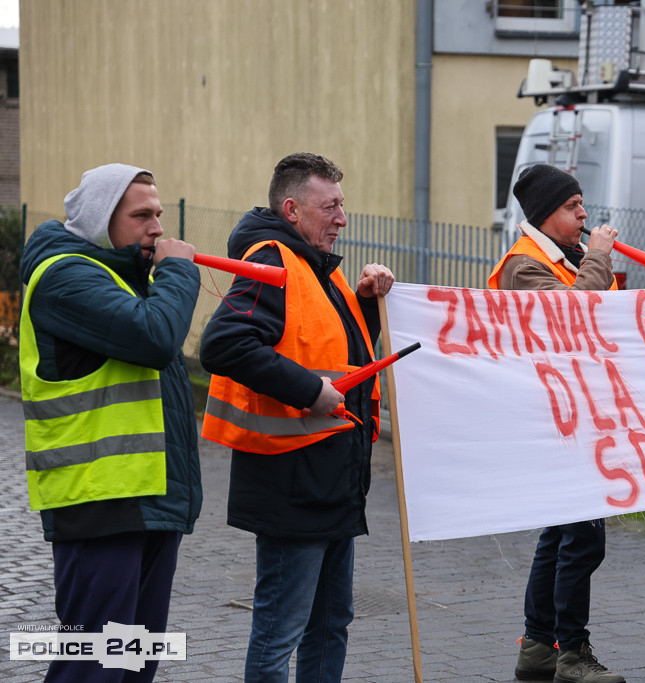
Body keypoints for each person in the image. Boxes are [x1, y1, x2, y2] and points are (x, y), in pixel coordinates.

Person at [199, 152, 394, 682]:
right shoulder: (276, 262)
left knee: (331, 624)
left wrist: (367, 303)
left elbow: (337, 356)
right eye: (329, 206)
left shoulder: (314, 267)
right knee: (281, 630)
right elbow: (224, 343)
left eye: (342, 205)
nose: (342, 218)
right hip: (293, 484)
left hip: (330, 480)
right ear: (292, 209)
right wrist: (310, 391)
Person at [19, 164, 202, 682]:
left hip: (146, 502)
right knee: (93, 669)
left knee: (133, 665)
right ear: (102, 220)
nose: (157, 229)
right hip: (99, 504)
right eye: (141, 216)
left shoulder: (124, 278)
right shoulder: (66, 277)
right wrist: (178, 271)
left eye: (159, 215)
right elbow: (155, 337)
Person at [489, 164, 625, 683]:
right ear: (546, 215)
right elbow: (574, 318)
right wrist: (599, 258)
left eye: (582, 204)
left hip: (580, 415)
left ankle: (540, 647)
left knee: (561, 534)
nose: (585, 214)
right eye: (573, 207)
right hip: (556, 422)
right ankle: (572, 651)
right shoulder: (525, 266)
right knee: (583, 539)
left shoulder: (562, 260)